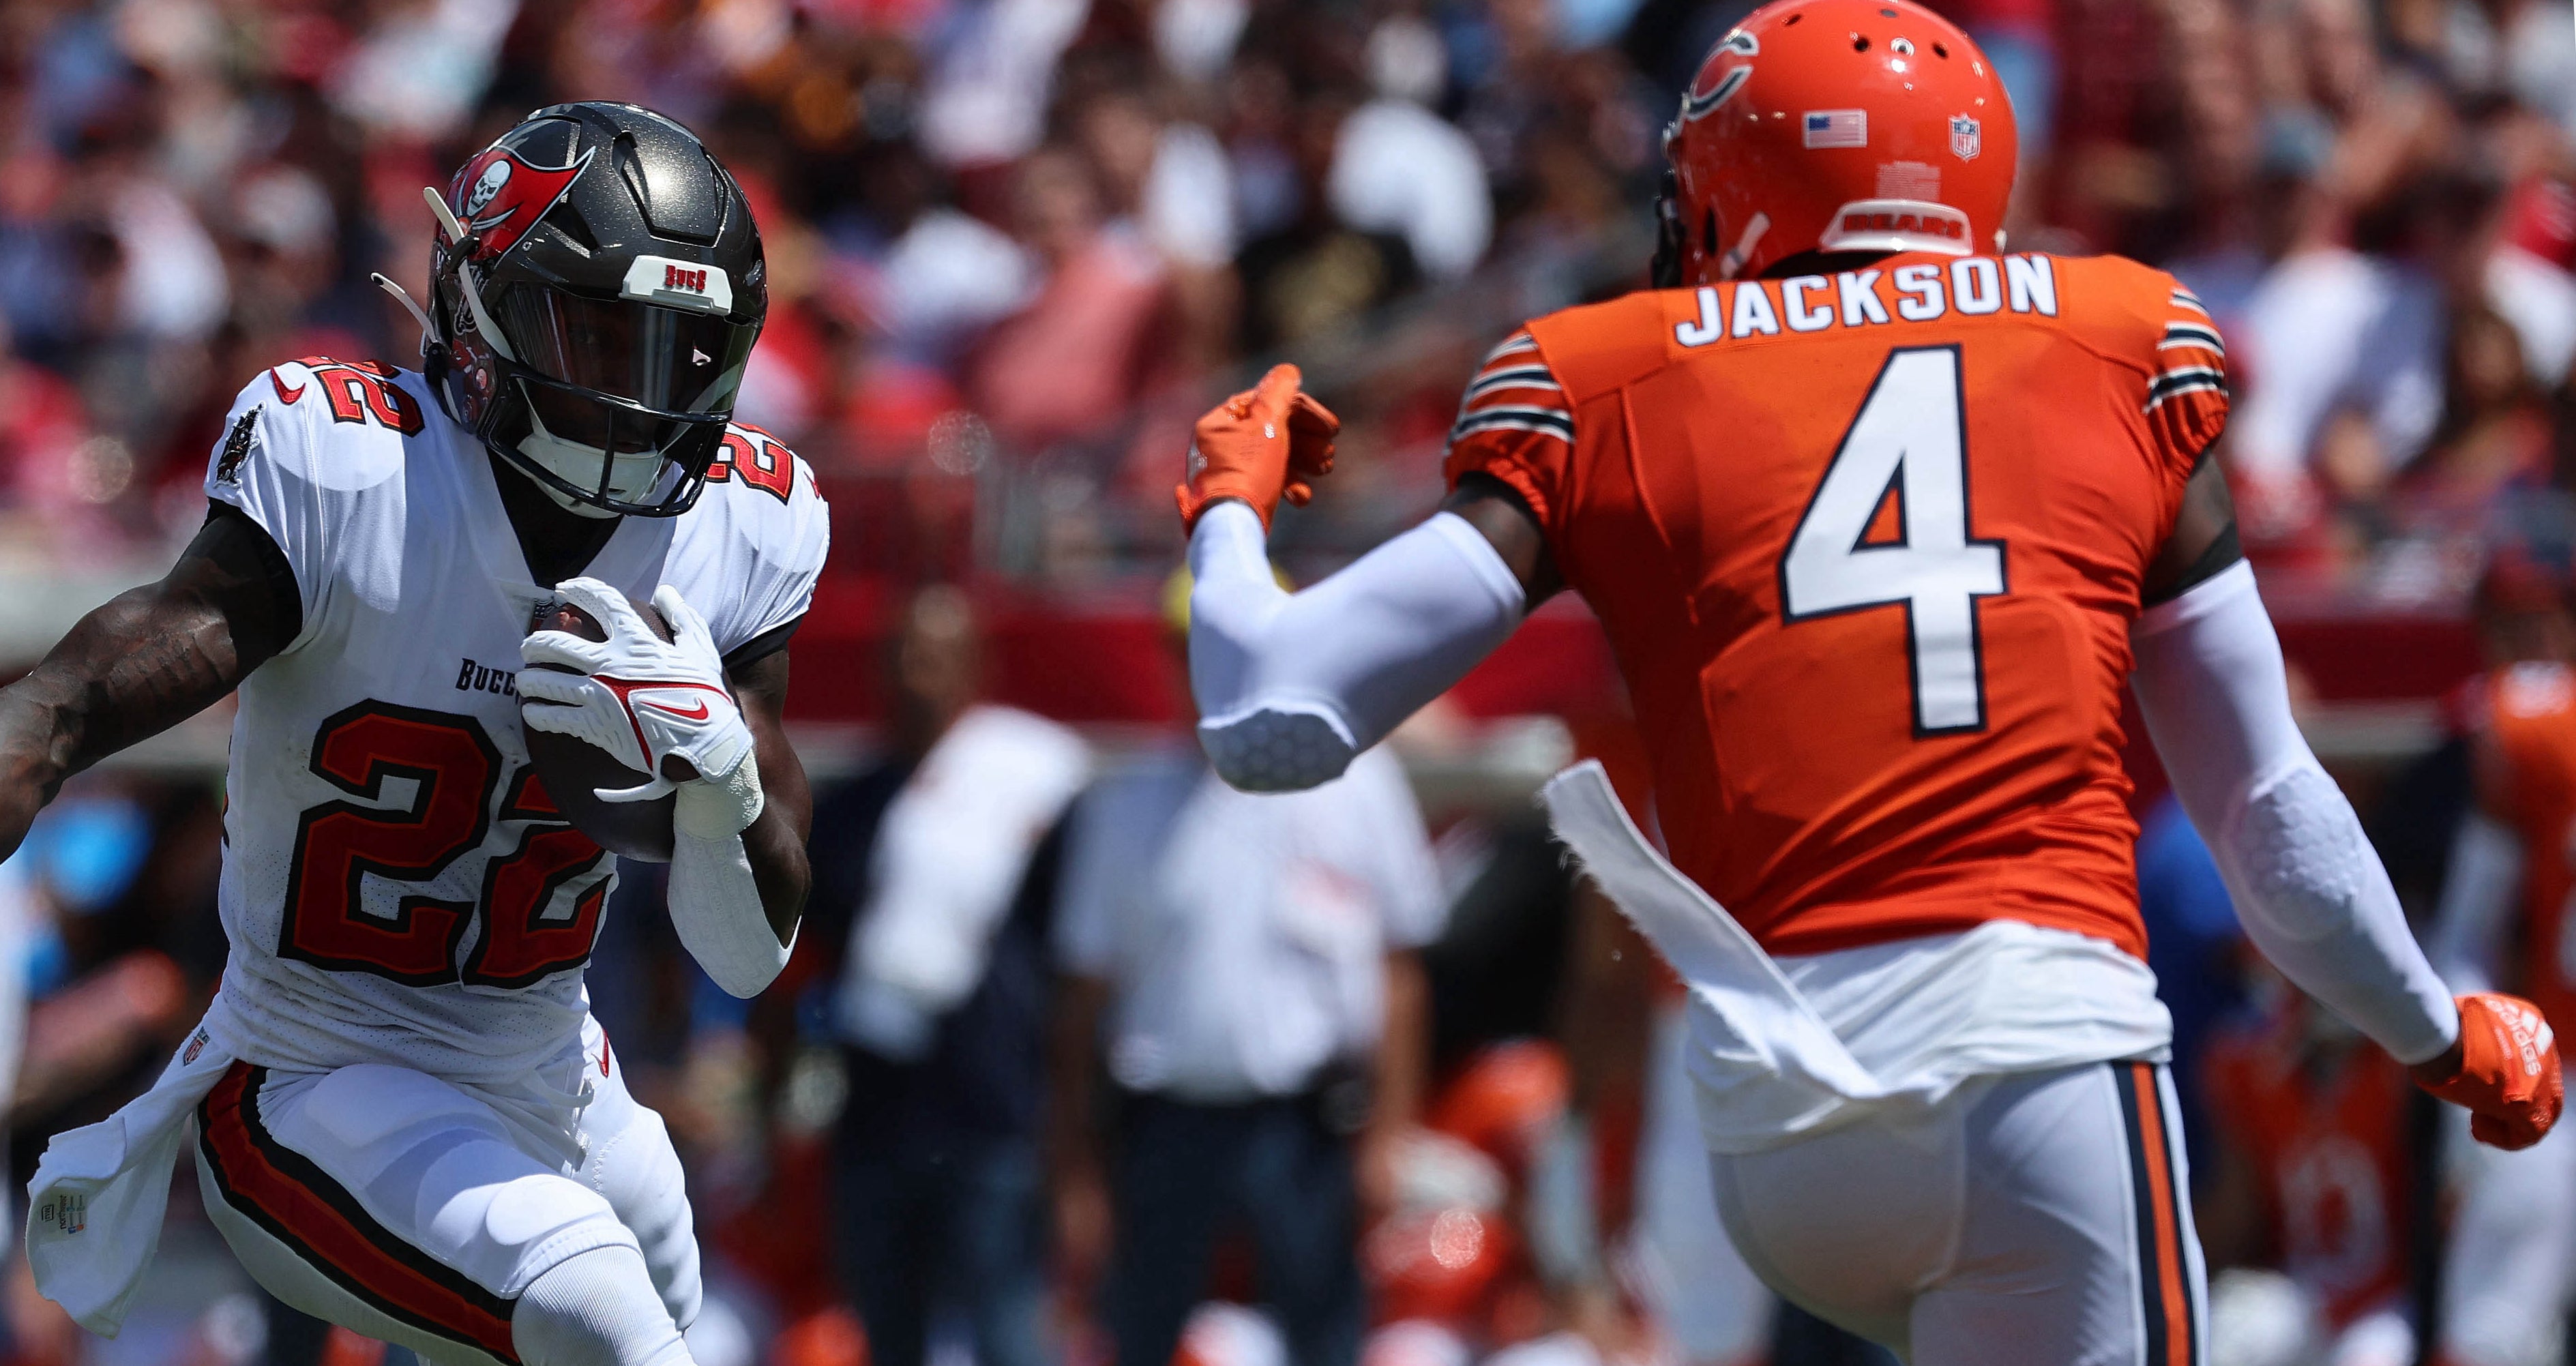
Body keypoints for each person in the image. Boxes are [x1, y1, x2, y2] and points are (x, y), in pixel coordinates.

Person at [1170, 1, 2563, 1359]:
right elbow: (2267, 809)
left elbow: (1268, 720)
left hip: (1776, 1117)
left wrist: (1228, 509)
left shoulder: (1604, 377)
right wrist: (2439, 1034)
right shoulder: (2115, 343)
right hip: (2035, 1066)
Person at [12, 103, 829, 1366]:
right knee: (600, 1310)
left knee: (655, 1299)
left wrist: (721, 779)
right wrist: (30, 737)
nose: (632, 394)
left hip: (554, 1064)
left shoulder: (742, 528)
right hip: (306, 1068)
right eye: (601, 334)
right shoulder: (357, 470)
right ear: (485, 304)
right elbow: (76, 696)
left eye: (674, 353)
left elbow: (747, 956)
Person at [1049, 569, 1445, 1366]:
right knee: (1141, 1334)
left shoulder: (1358, 785)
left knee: (1325, 1336)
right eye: (1193, 648)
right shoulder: (1125, 805)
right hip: (1166, 1124)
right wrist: (1076, 1168)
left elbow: (1402, 974)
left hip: (1307, 1126)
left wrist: (1389, 1135)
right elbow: (1082, 1003)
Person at [811, 585, 1089, 1366]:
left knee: (1008, 1331)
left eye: (935, 655)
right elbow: (810, 964)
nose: (917, 672)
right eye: (902, 654)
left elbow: (1074, 970)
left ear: (976, 667)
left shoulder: (1032, 784)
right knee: (887, 1331)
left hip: (995, 1113)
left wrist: (1070, 1134)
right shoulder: (849, 808)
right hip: (878, 1117)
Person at [2422, 548, 2576, 1366]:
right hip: (2559, 1070)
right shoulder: (2534, 724)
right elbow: (2468, 933)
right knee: (2496, 1331)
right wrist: (2473, 1056)